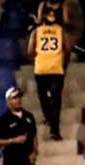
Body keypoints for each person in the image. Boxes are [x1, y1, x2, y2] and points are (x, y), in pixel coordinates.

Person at [28, 9, 70, 141]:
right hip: (56, 68)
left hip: (41, 68)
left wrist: (39, 57)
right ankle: (55, 130)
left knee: (43, 95)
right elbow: (68, 49)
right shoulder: (61, 30)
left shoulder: (36, 31)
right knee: (56, 100)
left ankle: (48, 117)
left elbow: (29, 51)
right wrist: (64, 63)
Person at [0, 87, 38, 165]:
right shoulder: (3, 119)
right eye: (14, 98)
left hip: (28, 163)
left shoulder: (29, 116)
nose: (18, 100)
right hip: (12, 163)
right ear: (8, 101)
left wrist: (34, 152)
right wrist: (13, 140)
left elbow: (34, 137)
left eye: (19, 97)